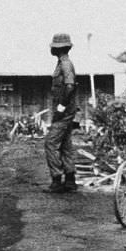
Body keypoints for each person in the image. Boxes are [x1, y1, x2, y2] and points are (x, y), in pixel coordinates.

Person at [44, 32, 79, 193]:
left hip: (64, 112)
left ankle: (57, 180)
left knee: (50, 143)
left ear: (58, 48)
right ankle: (70, 180)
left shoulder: (65, 64)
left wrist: (61, 108)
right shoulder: (62, 64)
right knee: (65, 144)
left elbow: (70, 86)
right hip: (66, 111)